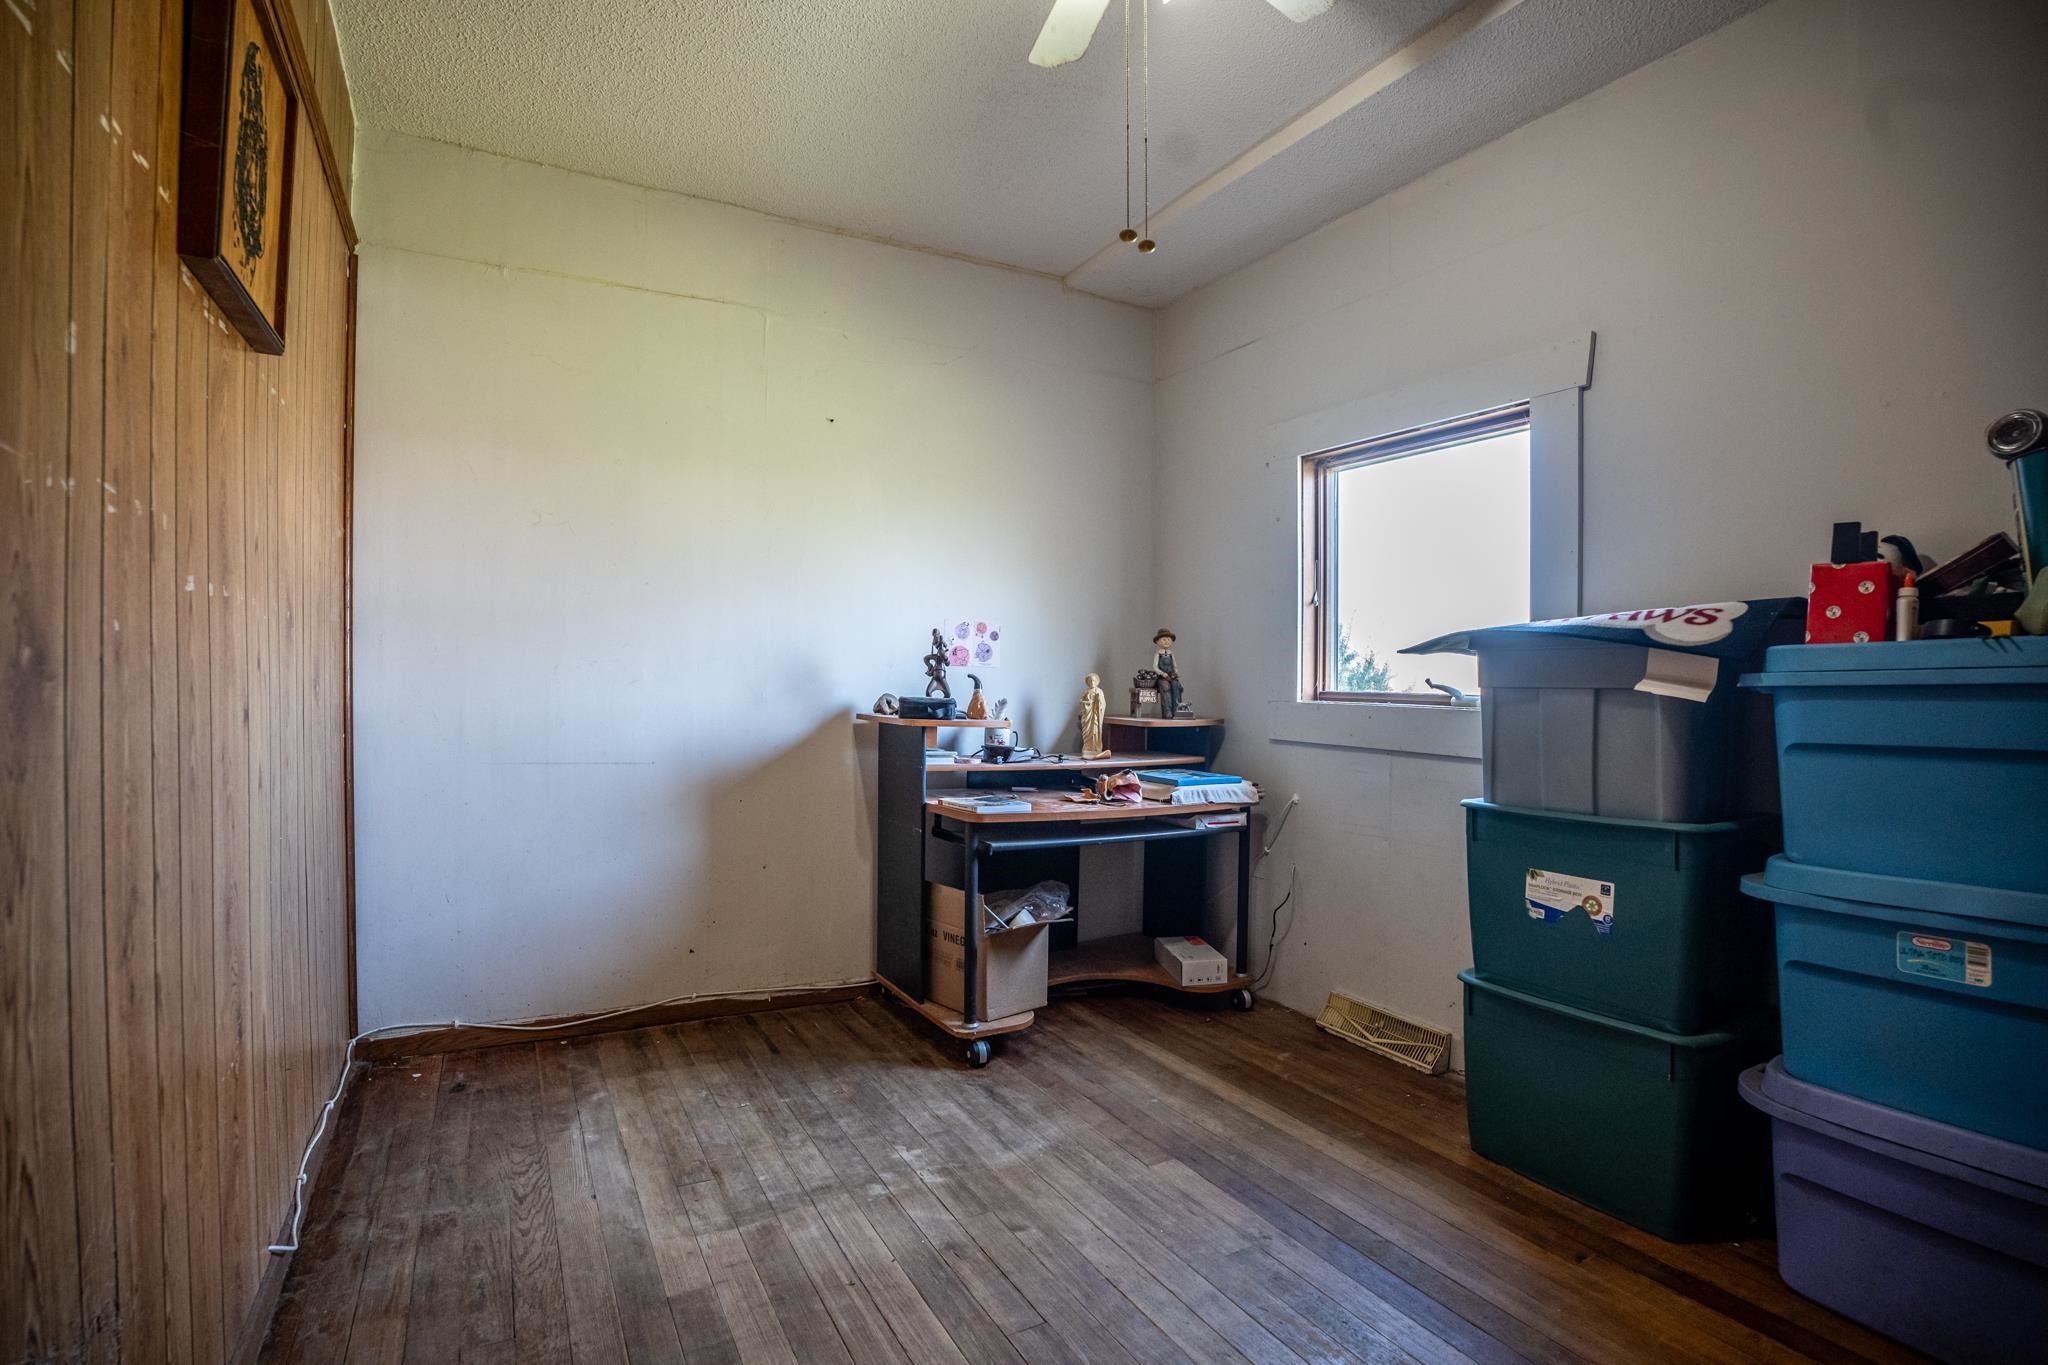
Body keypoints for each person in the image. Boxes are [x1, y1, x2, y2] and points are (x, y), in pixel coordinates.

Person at [1151, 629, 1183, 717]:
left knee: (1176, 686)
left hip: (1171, 676)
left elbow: (1175, 665)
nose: (1166, 642)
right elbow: (1155, 667)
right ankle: (1167, 711)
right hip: (1162, 677)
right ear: (1158, 642)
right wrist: (1162, 673)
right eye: (1164, 639)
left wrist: (1176, 673)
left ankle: (1177, 710)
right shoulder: (1158, 654)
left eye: (1169, 639)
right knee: (1166, 688)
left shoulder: (1171, 654)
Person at [1078, 673, 1107, 756]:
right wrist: (1087, 703)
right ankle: (1087, 747)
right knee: (1087, 731)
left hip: (1095, 715)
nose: (1092, 682)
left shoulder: (1099, 691)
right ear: (1087, 682)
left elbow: (1103, 704)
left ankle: (1096, 747)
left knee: (1095, 730)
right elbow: (1081, 702)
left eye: (1093, 680)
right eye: (1090, 681)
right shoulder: (1086, 691)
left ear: (1096, 682)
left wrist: (1099, 701)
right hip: (1087, 715)